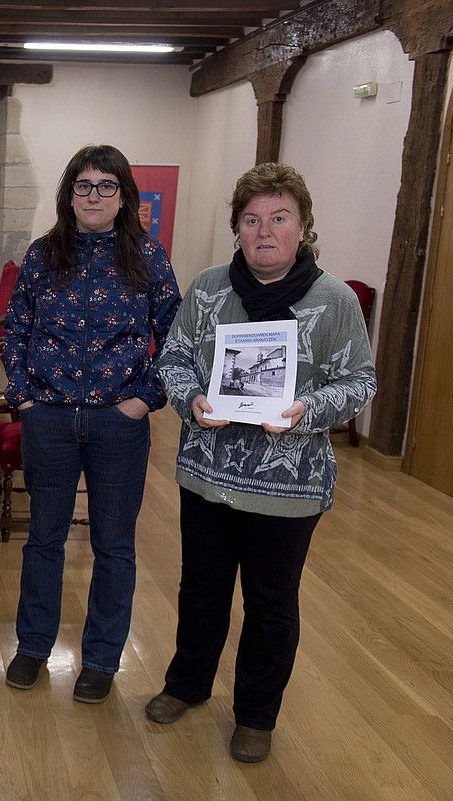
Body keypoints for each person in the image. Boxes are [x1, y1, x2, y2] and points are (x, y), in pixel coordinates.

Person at [145, 163, 376, 763]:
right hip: (208, 476)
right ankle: (186, 686)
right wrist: (192, 400)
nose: (264, 232)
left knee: (272, 602)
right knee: (201, 588)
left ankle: (256, 715)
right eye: (251, 220)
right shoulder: (208, 289)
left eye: (279, 219)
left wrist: (308, 409)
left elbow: (360, 381)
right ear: (237, 228)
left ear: (302, 228)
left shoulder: (335, 300)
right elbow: (173, 358)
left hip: (289, 487)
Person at [2, 144, 181, 702]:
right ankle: (33, 648)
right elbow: (16, 331)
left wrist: (145, 399)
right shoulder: (41, 255)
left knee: (114, 546)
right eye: (84, 186)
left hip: (118, 422)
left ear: (123, 195)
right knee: (44, 540)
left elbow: (178, 338)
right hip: (49, 419)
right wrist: (24, 399)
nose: (94, 196)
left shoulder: (147, 257)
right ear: (69, 195)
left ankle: (102, 659)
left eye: (107, 186)